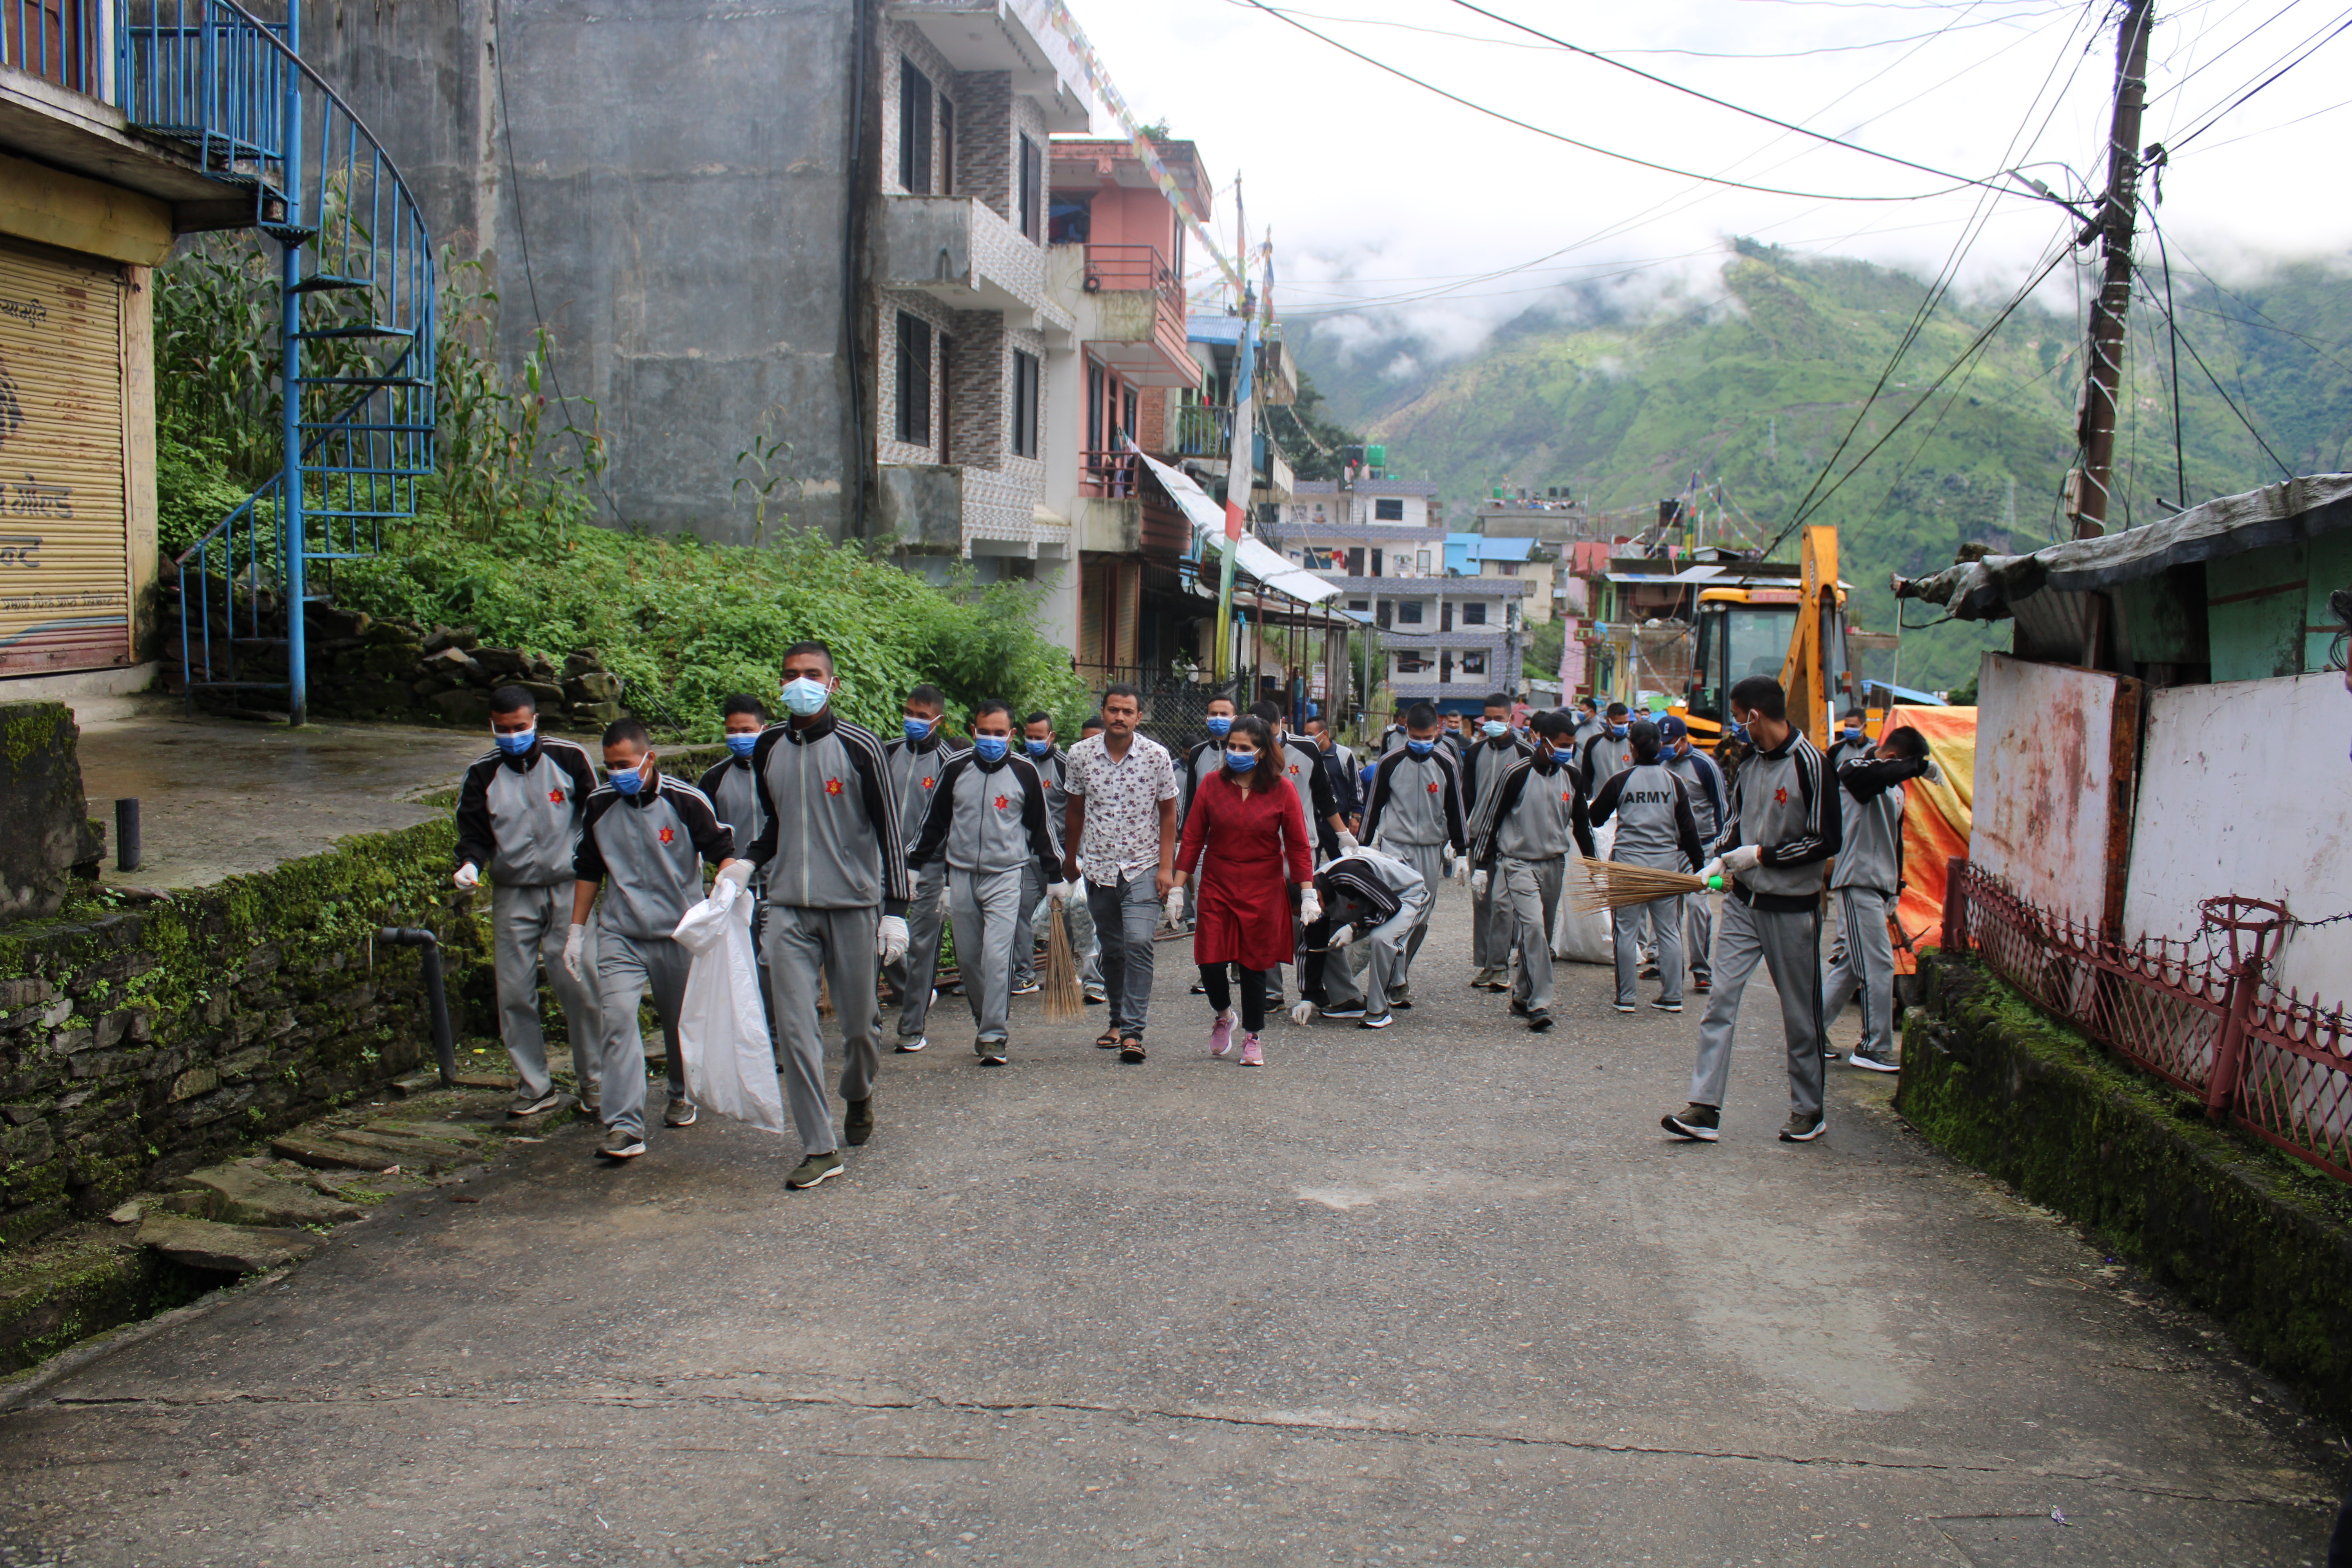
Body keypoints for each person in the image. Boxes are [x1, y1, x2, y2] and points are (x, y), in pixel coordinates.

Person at [742, 641, 911, 1190]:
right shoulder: (767, 748)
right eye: (791, 675)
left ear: (833, 684)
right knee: (795, 1030)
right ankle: (819, 1147)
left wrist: (897, 910)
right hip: (788, 907)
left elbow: (890, 832)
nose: (800, 684)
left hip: (853, 906)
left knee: (861, 1029)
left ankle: (859, 1092)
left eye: (812, 675)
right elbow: (774, 824)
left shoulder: (861, 746)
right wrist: (745, 864)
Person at [1663, 675, 1841, 1145]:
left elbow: (1827, 840)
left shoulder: (1813, 764)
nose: (1736, 727)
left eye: (1739, 718)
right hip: (1743, 903)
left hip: (1792, 909)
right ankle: (1704, 1107)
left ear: (1755, 715)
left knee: (1800, 1013)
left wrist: (1764, 855)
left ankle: (1809, 1108)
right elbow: (1737, 820)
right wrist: (1718, 858)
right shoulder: (1749, 761)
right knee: (1721, 1001)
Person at [568, 719, 738, 1161]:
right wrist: (575, 931)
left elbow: (724, 853)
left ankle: (681, 1092)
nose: (617, 773)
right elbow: (588, 868)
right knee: (618, 1019)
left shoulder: (685, 801)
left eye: (625, 764)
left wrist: (720, 902)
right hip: (620, 933)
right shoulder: (600, 804)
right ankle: (625, 1124)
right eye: (609, 766)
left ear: (649, 759)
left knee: (678, 1020)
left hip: (678, 932)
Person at [452, 686, 607, 1119]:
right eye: (503, 729)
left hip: (569, 886)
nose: (513, 735)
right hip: (513, 889)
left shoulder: (569, 758)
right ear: (492, 726)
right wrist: (470, 864)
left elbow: (599, 815)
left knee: (580, 984)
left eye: (520, 727)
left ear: (536, 720)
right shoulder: (482, 774)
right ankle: (535, 1084)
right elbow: (474, 832)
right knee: (515, 989)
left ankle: (595, 1082)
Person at [907, 701, 1068, 1065]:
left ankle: (994, 1035)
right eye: (985, 732)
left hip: (1007, 875)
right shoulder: (956, 767)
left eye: (1000, 734)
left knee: (997, 956)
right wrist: (914, 864)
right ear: (974, 730)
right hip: (961, 874)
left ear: (1012, 736)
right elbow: (934, 821)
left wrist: (1055, 873)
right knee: (968, 959)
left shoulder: (1024, 772)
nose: (992, 740)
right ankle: (984, 1018)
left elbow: (1042, 827)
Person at [1172, 715, 1315, 1067]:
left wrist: (1308, 892)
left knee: (1255, 966)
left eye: (1244, 748)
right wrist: (1178, 887)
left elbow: (1298, 846)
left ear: (1263, 752)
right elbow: (1191, 839)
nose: (1235, 753)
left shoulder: (1283, 791)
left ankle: (1254, 1036)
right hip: (1218, 883)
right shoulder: (1210, 785)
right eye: (1231, 747)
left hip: (1263, 887)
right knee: (1210, 960)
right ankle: (1224, 1015)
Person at [1062, 683, 1178, 1064]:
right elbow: (1076, 810)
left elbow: (1168, 814)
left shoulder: (1156, 756)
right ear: (1104, 710)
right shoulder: (1080, 756)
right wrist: (1070, 858)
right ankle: (1115, 1020)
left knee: (1139, 942)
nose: (1120, 717)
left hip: (1142, 866)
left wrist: (1165, 868)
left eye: (1128, 711)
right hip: (1097, 867)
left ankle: (1132, 1033)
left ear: (1138, 716)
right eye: (1113, 710)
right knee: (1112, 950)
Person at [1822, 725, 1940, 1073]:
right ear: (1892, 757)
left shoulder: (1894, 789)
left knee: (1850, 967)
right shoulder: (1855, 771)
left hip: (1880, 884)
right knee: (1878, 965)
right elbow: (1882, 773)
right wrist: (1920, 767)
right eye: (1904, 765)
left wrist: (1896, 887)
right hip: (1857, 879)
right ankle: (1873, 1047)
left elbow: (1895, 838)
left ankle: (1810, 1031)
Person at [1468, 711, 1594, 1032]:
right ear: (1542, 740)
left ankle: (1523, 996)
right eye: (1564, 745)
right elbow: (1492, 822)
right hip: (1518, 862)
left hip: (1554, 863)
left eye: (1573, 745)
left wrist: (1595, 864)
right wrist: (1481, 866)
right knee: (1534, 928)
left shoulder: (1572, 776)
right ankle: (1541, 1003)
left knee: (1542, 934)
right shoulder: (1516, 774)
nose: (1569, 751)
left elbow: (1582, 823)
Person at [1588, 719, 1705, 1016]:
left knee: (1626, 931)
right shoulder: (1674, 782)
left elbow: (1596, 818)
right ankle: (1672, 996)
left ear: (1632, 746)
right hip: (1666, 865)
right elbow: (1689, 830)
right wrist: (1701, 866)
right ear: (1660, 745)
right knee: (1669, 931)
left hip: (1628, 865)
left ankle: (1626, 999)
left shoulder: (1620, 781)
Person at [1357, 703, 1467, 1008]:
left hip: (1430, 849)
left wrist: (1462, 851)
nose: (1422, 742)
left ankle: (1401, 969)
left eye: (1428, 737)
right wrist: (1361, 848)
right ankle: (1394, 981)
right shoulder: (1390, 762)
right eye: (1416, 736)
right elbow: (1373, 806)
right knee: (1394, 912)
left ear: (1438, 732)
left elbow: (1456, 809)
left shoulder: (1446, 763)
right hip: (1395, 846)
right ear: (1407, 731)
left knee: (1420, 917)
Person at [882, 684, 964, 1055]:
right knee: (876, 944)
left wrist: (949, 877)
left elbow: (956, 823)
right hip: (884, 865)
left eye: (922, 716)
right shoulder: (887, 754)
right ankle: (871, 1023)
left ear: (939, 720)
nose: (913, 721)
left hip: (931, 867)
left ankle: (911, 1027)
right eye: (909, 713)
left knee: (923, 944)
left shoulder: (951, 763)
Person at [1012, 711, 1102, 1004]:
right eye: (1030, 737)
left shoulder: (1066, 766)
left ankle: (1091, 980)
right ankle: (1024, 975)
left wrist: (1077, 856)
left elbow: (1083, 810)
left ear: (1052, 737)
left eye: (1040, 737)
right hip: (1028, 854)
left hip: (1066, 855)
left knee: (1075, 913)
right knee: (1022, 912)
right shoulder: (1020, 765)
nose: (1034, 742)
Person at [1295, 844, 1428, 1029]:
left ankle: (1379, 1010)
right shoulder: (1312, 897)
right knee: (1322, 936)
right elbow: (1310, 946)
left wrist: (1354, 927)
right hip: (1373, 903)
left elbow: (1391, 905)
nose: (1312, 914)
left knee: (1381, 939)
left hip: (1405, 895)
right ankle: (1347, 1000)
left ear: (1315, 895)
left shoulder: (1346, 875)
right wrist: (1307, 998)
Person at [1461, 691, 1535, 992]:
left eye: (1499, 719)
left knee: (1504, 904)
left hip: (1510, 840)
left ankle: (1500, 966)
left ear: (1510, 719)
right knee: (1482, 902)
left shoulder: (1526, 753)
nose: (1492, 724)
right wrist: (1460, 838)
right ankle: (1486, 965)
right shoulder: (1475, 752)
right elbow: (1467, 796)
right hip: (1479, 837)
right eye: (1488, 719)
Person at [1659, 716, 1727, 994]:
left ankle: (1701, 968)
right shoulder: (1662, 765)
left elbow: (1723, 807)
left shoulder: (1705, 765)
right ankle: (1663, 961)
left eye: (1669, 743)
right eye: (1661, 743)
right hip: (1672, 846)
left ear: (1684, 741)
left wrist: (1724, 850)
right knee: (1666, 908)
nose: (1665, 748)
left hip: (1703, 847)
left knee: (1698, 907)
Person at [1302, 716, 1360, 826]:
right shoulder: (1305, 755)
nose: (1306, 738)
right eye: (1305, 734)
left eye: (1310, 735)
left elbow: (1356, 786)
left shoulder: (1344, 755)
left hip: (1338, 819)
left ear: (1325, 734)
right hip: (1311, 819)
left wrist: (1356, 815)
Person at [1579, 703, 1634, 807]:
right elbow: (1587, 773)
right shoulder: (1594, 743)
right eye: (1619, 723)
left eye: (1625, 723)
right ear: (1609, 721)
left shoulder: (1633, 743)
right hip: (1600, 800)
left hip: (1627, 801)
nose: (1623, 726)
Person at [1827, 707, 1874, 772]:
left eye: (1853, 726)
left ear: (1864, 727)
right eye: (1847, 726)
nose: (1849, 729)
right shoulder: (1836, 749)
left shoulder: (1875, 748)